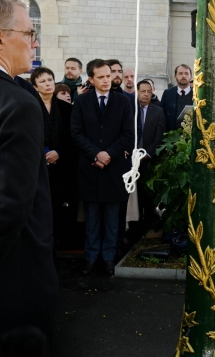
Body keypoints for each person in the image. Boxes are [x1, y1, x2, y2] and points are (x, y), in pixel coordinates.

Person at [0, 0, 58, 351]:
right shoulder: (18, 102)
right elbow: (9, 207)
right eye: (29, 33)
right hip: (9, 286)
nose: (35, 42)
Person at [71, 59, 134, 276]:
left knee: (112, 219)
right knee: (92, 219)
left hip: (114, 169)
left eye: (108, 76)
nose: (107, 80)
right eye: (101, 77)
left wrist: (108, 154)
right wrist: (95, 154)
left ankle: (109, 259)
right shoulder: (81, 102)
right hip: (90, 168)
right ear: (91, 79)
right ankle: (90, 259)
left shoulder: (123, 102)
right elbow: (76, 133)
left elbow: (128, 134)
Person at [30, 67, 76, 249]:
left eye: (50, 80)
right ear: (35, 86)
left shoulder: (66, 108)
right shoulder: (29, 106)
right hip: (37, 166)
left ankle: (58, 242)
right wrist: (42, 154)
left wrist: (59, 152)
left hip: (61, 165)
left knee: (58, 206)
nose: (48, 84)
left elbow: (72, 136)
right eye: (42, 81)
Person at [136, 80, 165, 222]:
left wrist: (147, 154)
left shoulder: (158, 111)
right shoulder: (129, 109)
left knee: (148, 196)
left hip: (149, 160)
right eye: (143, 91)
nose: (146, 94)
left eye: (149, 92)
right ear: (137, 92)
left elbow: (159, 137)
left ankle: (148, 223)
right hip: (130, 160)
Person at [161, 64, 193, 132]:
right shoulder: (167, 93)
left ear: (191, 77)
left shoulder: (197, 94)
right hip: (171, 136)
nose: (183, 76)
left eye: (186, 73)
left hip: (192, 137)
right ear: (175, 77)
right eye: (180, 73)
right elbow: (161, 116)